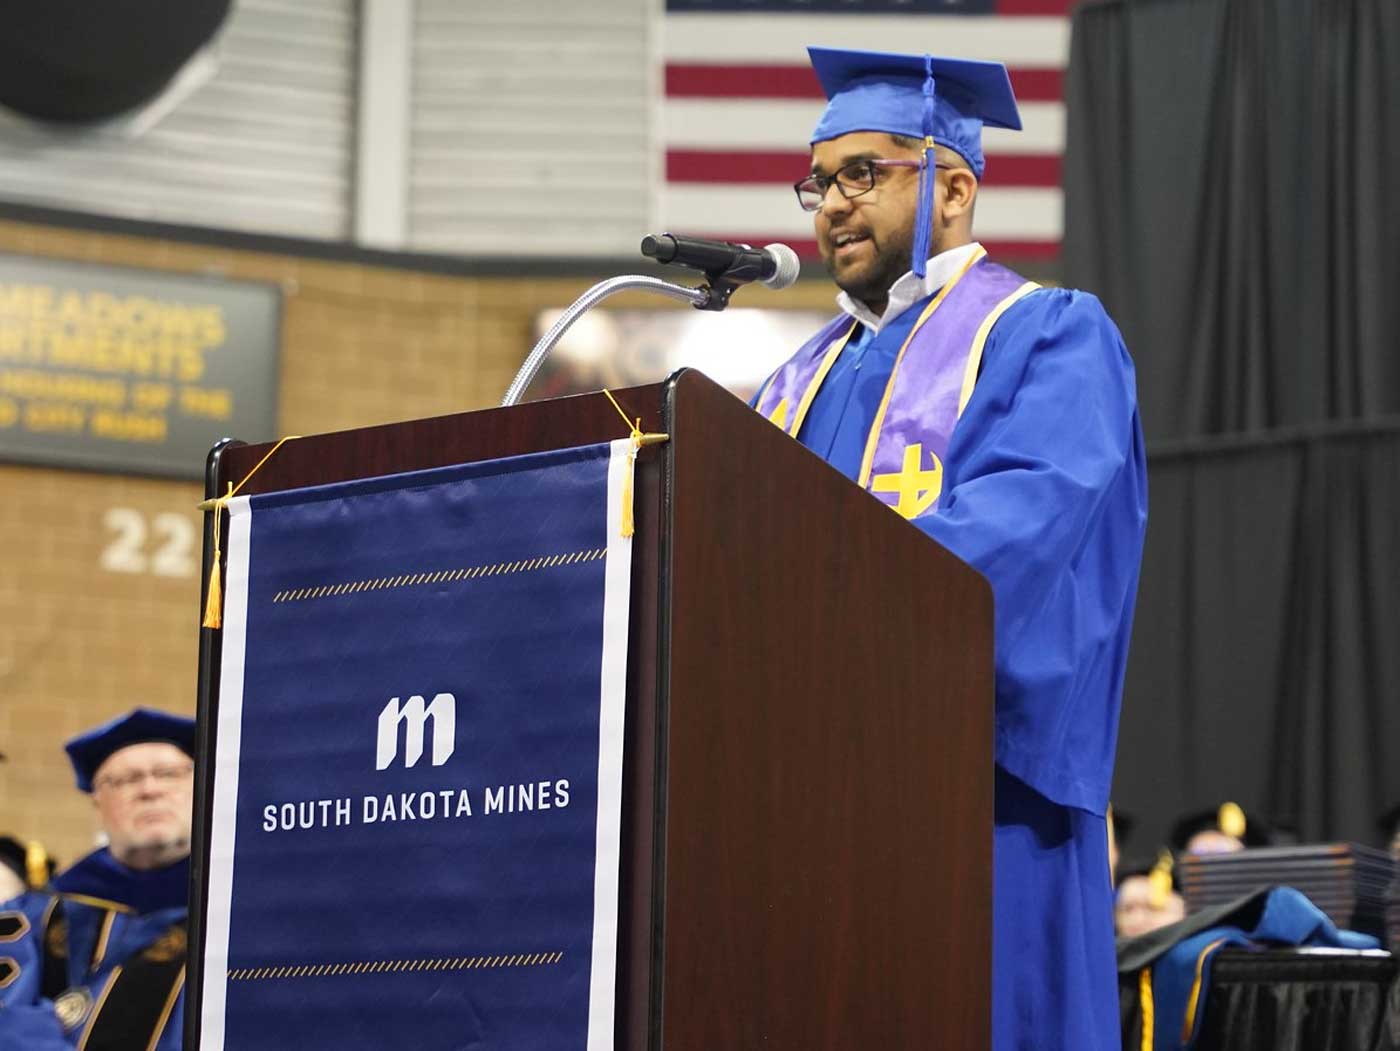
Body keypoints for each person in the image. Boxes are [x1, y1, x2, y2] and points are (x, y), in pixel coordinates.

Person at [752, 47, 1147, 1050]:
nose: (830, 205)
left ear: (955, 185)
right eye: (818, 182)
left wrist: (808, 618)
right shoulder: (790, 382)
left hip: (980, 794)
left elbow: (1022, 516)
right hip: (800, 798)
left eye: (860, 174)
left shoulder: (1046, 335)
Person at [0, 707, 195, 1050]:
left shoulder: (238, 916)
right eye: (125, 780)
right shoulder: (31, 918)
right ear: (97, 802)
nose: (149, 790)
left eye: (168, 774)